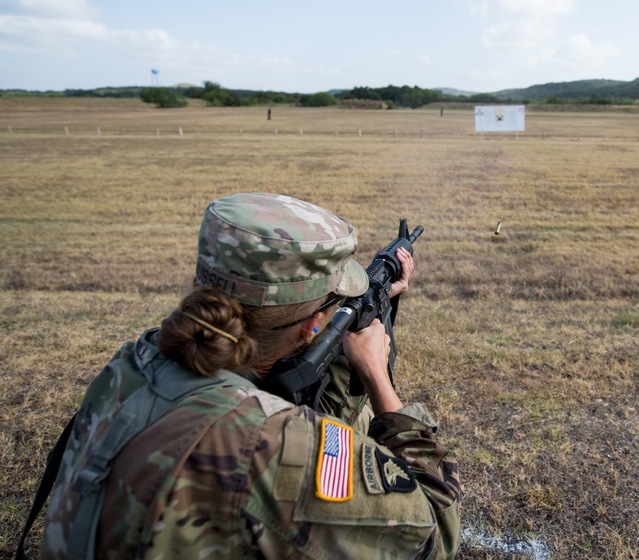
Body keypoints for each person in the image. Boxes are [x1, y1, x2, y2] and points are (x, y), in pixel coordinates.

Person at [38, 193, 460, 559]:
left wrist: (364, 309)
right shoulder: (269, 443)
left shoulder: (135, 361)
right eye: (335, 305)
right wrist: (376, 376)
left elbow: (282, 391)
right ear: (312, 326)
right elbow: (435, 536)